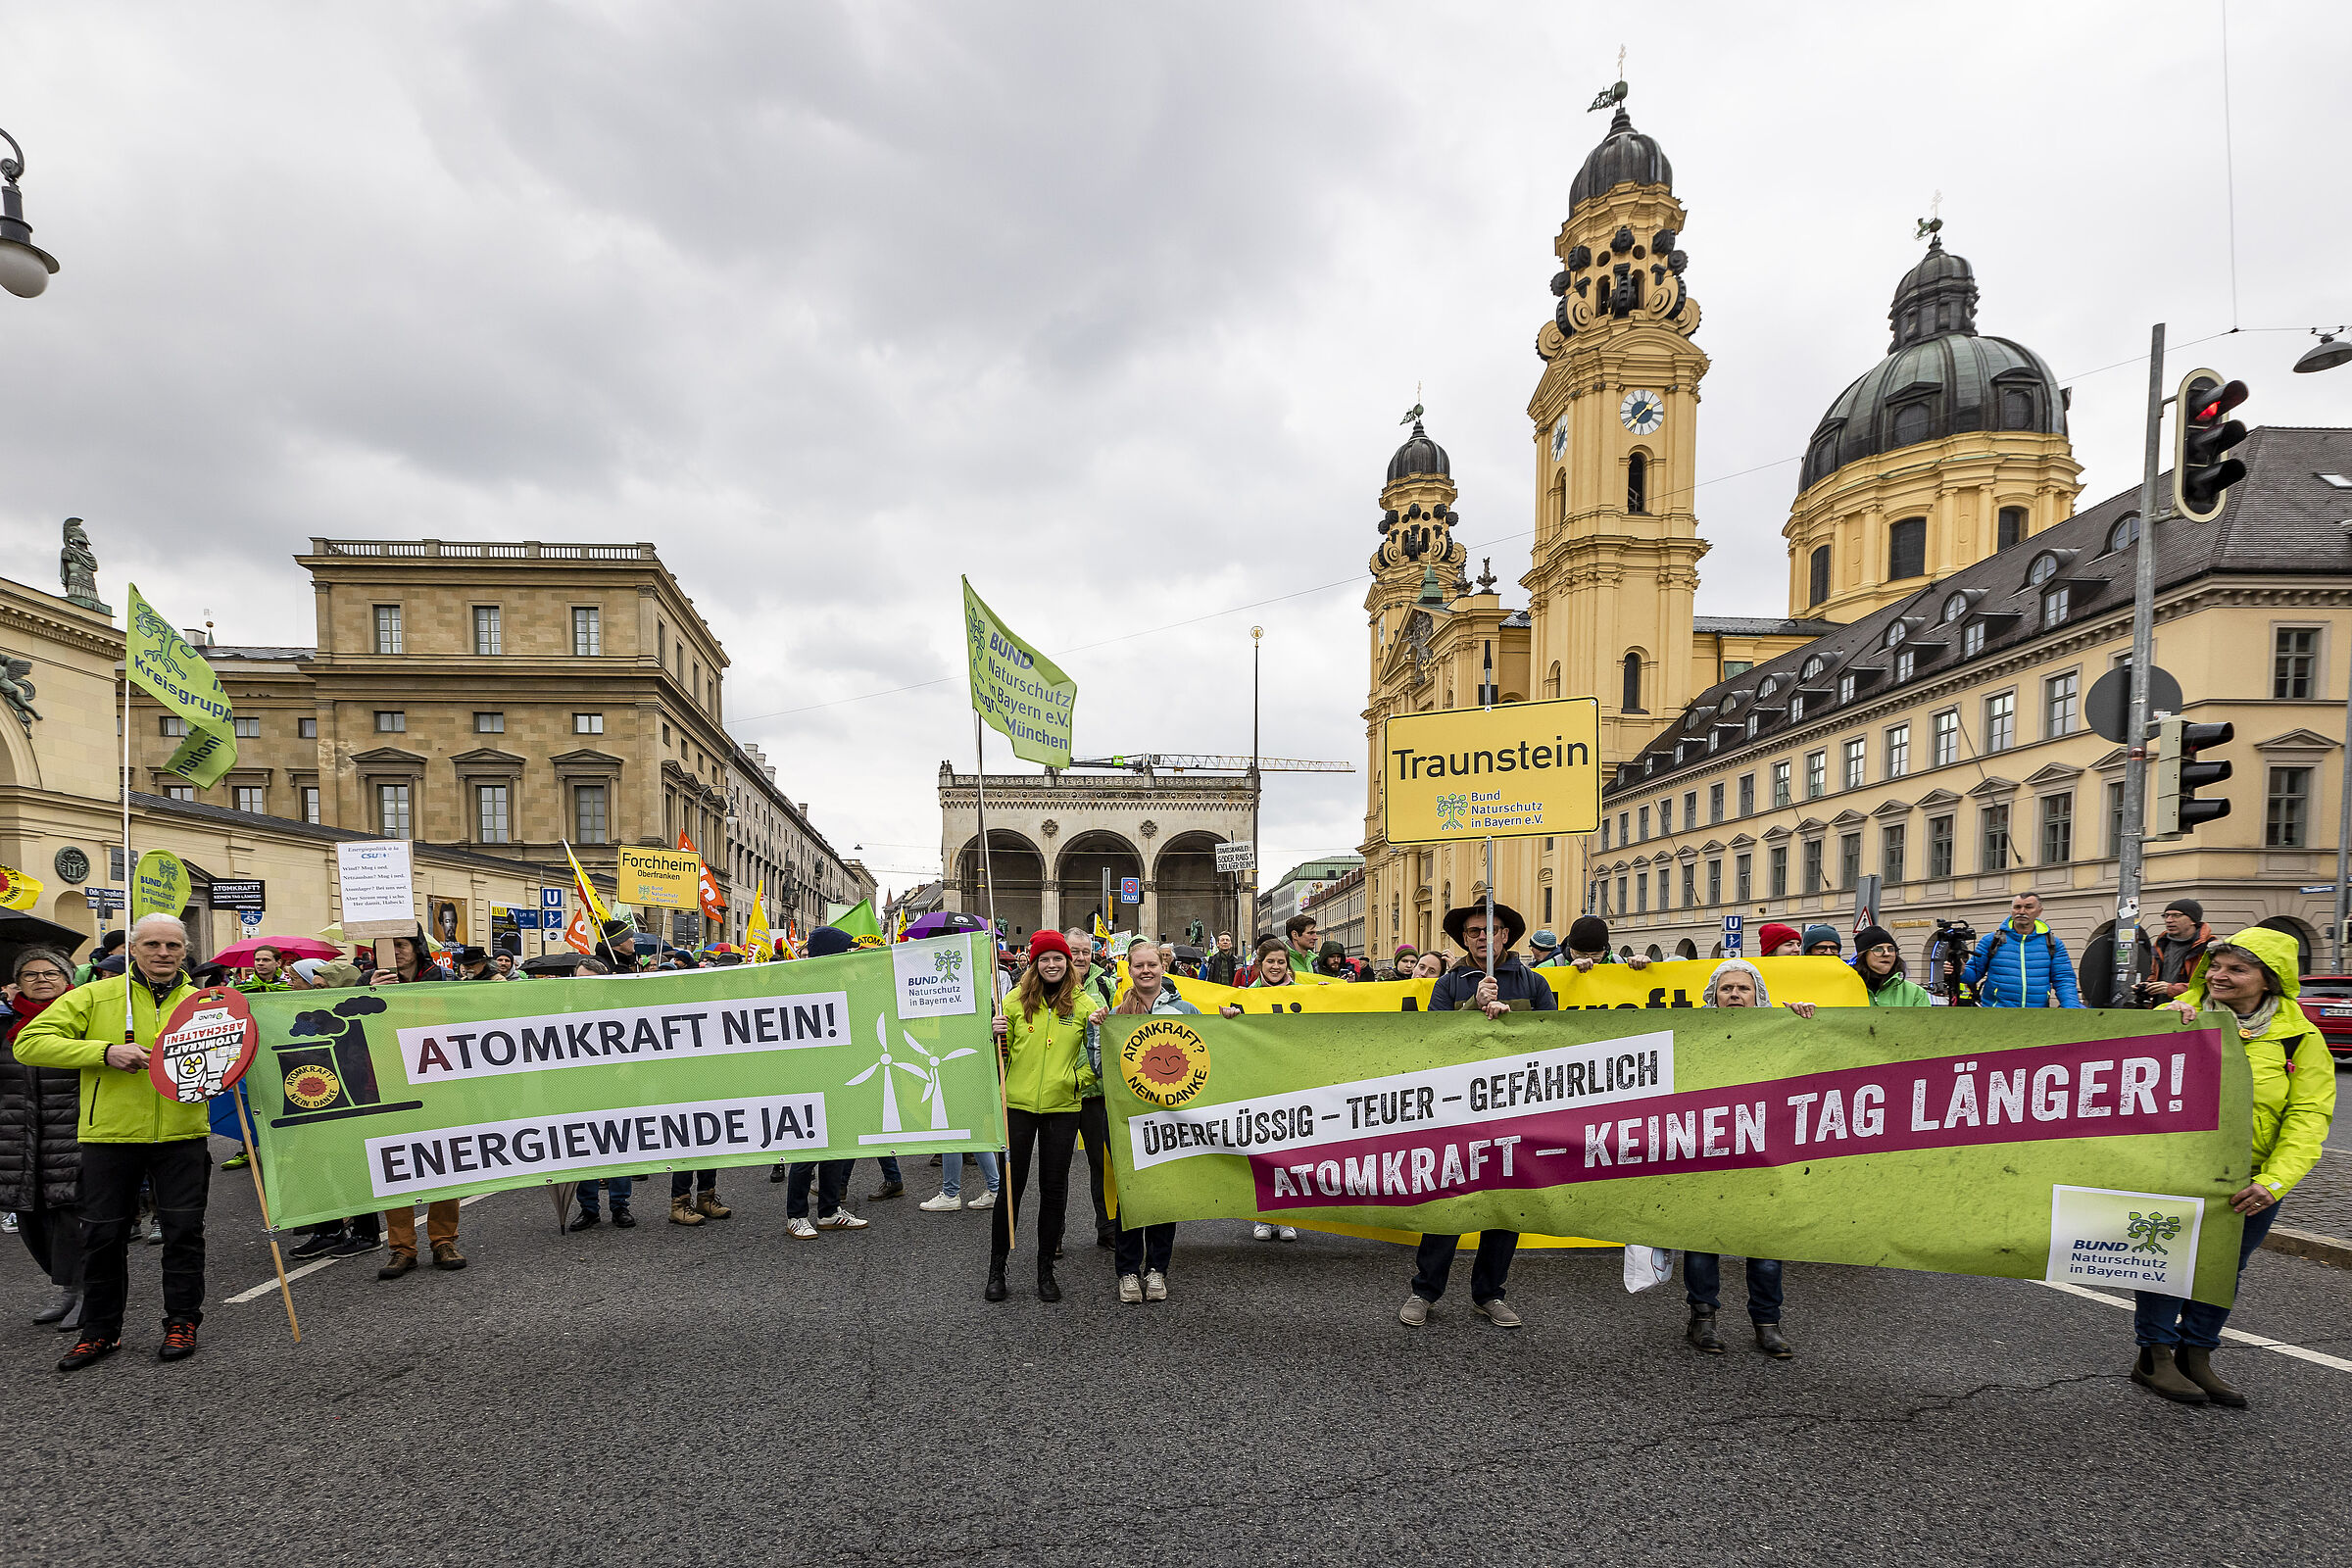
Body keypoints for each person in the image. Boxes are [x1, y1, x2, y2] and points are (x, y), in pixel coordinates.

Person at [2134, 929, 2335, 1406]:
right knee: (2165, 1263)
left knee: (2224, 1268)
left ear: (2269, 981)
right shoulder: (2175, 1016)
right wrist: (2163, 1029)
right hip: (2175, 1171)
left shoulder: (2300, 1037)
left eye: (2237, 969)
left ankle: (2196, 1355)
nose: (2220, 976)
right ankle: (2154, 1355)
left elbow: (2309, 1115)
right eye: (2217, 966)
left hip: (2251, 1182)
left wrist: (2274, 1182)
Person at [16, 914, 210, 1371]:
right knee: (103, 1237)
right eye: (152, 945)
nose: (163, 954)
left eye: (172, 946)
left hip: (182, 1133)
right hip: (110, 1135)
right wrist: (104, 1053)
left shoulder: (204, 1002)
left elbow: (238, 1055)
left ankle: (182, 1320)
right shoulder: (96, 995)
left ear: (184, 950)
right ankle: (100, 1331)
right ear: (133, 949)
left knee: (184, 1234)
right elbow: (30, 1042)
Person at [1399, 903, 1554, 1334]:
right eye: (1473, 932)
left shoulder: (1534, 982)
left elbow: (1552, 1040)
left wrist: (1511, 1020)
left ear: (1507, 935)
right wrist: (1472, 1006)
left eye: (1492, 930)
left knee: (1505, 1205)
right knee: (1447, 1200)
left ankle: (1490, 1294)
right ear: (1464, 939)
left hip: (1515, 1110)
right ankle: (1425, 1290)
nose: (1483, 937)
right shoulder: (1448, 985)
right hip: (1459, 1111)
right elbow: (1435, 1041)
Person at [1685, 958, 1810, 1359]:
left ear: (1758, 996)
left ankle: (1767, 1324)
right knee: (1703, 1238)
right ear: (1713, 996)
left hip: (1763, 1153)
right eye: (1726, 988)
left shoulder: (1778, 1033)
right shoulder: (1691, 1036)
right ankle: (1702, 1318)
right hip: (1709, 1151)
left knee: (1765, 1240)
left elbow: (1810, 1064)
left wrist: (1802, 1023)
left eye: (1743, 988)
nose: (1734, 995)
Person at [986, 930, 1102, 1303]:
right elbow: (999, 1061)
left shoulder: (1084, 1006)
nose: (1051, 964)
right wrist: (994, 1037)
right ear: (1034, 964)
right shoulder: (1014, 1002)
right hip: (1017, 1106)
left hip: (1063, 1109)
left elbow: (1097, 1062)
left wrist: (1074, 1082)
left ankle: (1045, 1269)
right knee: (1010, 1189)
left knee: (1054, 1191)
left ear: (1069, 963)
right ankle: (997, 1267)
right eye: (1044, 959)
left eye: (1058, 958)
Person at [366, 927, 468, 1277]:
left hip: (438, 1084)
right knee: (394, 1166)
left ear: (416, 947)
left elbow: (461, 1021)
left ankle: (444, 1240)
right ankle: (402, 1248)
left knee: (444, 1162)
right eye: (388, 945)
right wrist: (371, 995)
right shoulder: (368, 981)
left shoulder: (440, 978)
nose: (395, 952)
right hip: (389, 1085)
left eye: (402, 944)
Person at [1104, 939, 1194, 1303]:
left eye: (1152, 965)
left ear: (1162, 967)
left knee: (1163, 1192)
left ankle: (1157, 1269)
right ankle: (1127, 1271)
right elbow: (1100, 1065)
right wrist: (1099, 1030)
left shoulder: (1186, 1009)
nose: (1146, 971)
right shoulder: (1115, 1011)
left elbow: (1209, 1052)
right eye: (1138, 965)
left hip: (1170, 1115)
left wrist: (1228, 1021)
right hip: (1127, 1115)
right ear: (1128, 968)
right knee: (1130, 1192)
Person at [2, 948, 85, 1331]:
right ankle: (67, 1286)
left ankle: (84, 1291)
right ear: (17, 983)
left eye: (50, 973)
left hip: (69, 1132)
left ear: (67, 979)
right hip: (16, 1136)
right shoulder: (5, 1024)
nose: (41, 980)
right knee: (30, 1218)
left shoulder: (82, 1019)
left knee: (69, 1216)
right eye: (30, 974)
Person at [1065, 929, 1118, 1250]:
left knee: (1102, 1164)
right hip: (1062, 1091)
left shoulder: (1104, 984)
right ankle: (1054, 1235)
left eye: (1086, 951)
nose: (1082, 957)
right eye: (1075, 951)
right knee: (1055, 1167)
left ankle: (1107, 1228)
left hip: (1097, 1090)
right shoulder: (1048, 984)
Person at [1960, 894, 2083, 1008]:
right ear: (2011, 910)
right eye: (2017, 907)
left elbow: (2064, 979)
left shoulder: (2053, 943)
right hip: (1996, 1013)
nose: (2022, 911)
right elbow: (1973, 974)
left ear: (2039, 911)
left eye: (2028, 907)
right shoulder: (1991, 940)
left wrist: (2071, 1007)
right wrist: (1961, 971)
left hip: (2037, 1016)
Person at [2139, 899, 2213, 1008]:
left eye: (2176, 915)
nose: (2169, 920)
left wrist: (2172, 989)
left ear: (2193, 920)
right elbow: (2155, 975)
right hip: (2161, 1009)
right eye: (2166, 915)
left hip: (2192, 1012)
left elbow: (2209, 986)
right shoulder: (2161, 944)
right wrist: (2147, 986)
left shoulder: (2210, 947)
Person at [1850, 925, 1933, 1006]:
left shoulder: (1915, 993)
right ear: (1863, 955)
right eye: (1878, 949)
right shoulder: (1847, 988)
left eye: (1891, 949)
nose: (1887, 954)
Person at [1562, 915, 1648, 971]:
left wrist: (1646, 966)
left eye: (1595, 955)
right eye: (1581, 954)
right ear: (1570, 949)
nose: (1589, 960)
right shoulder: (1552, 966)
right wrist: (1569, 973)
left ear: (1605, 951)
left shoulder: (1623, 964)